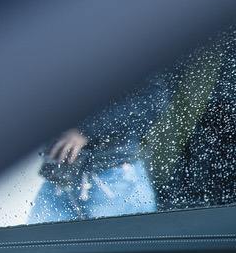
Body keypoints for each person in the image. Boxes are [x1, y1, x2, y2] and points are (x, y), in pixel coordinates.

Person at [29, 73, 172, 222]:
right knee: (36, 237)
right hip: (59, 175)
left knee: (127, 236)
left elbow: (152, 98)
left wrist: (86, 130)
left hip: (112, 175)